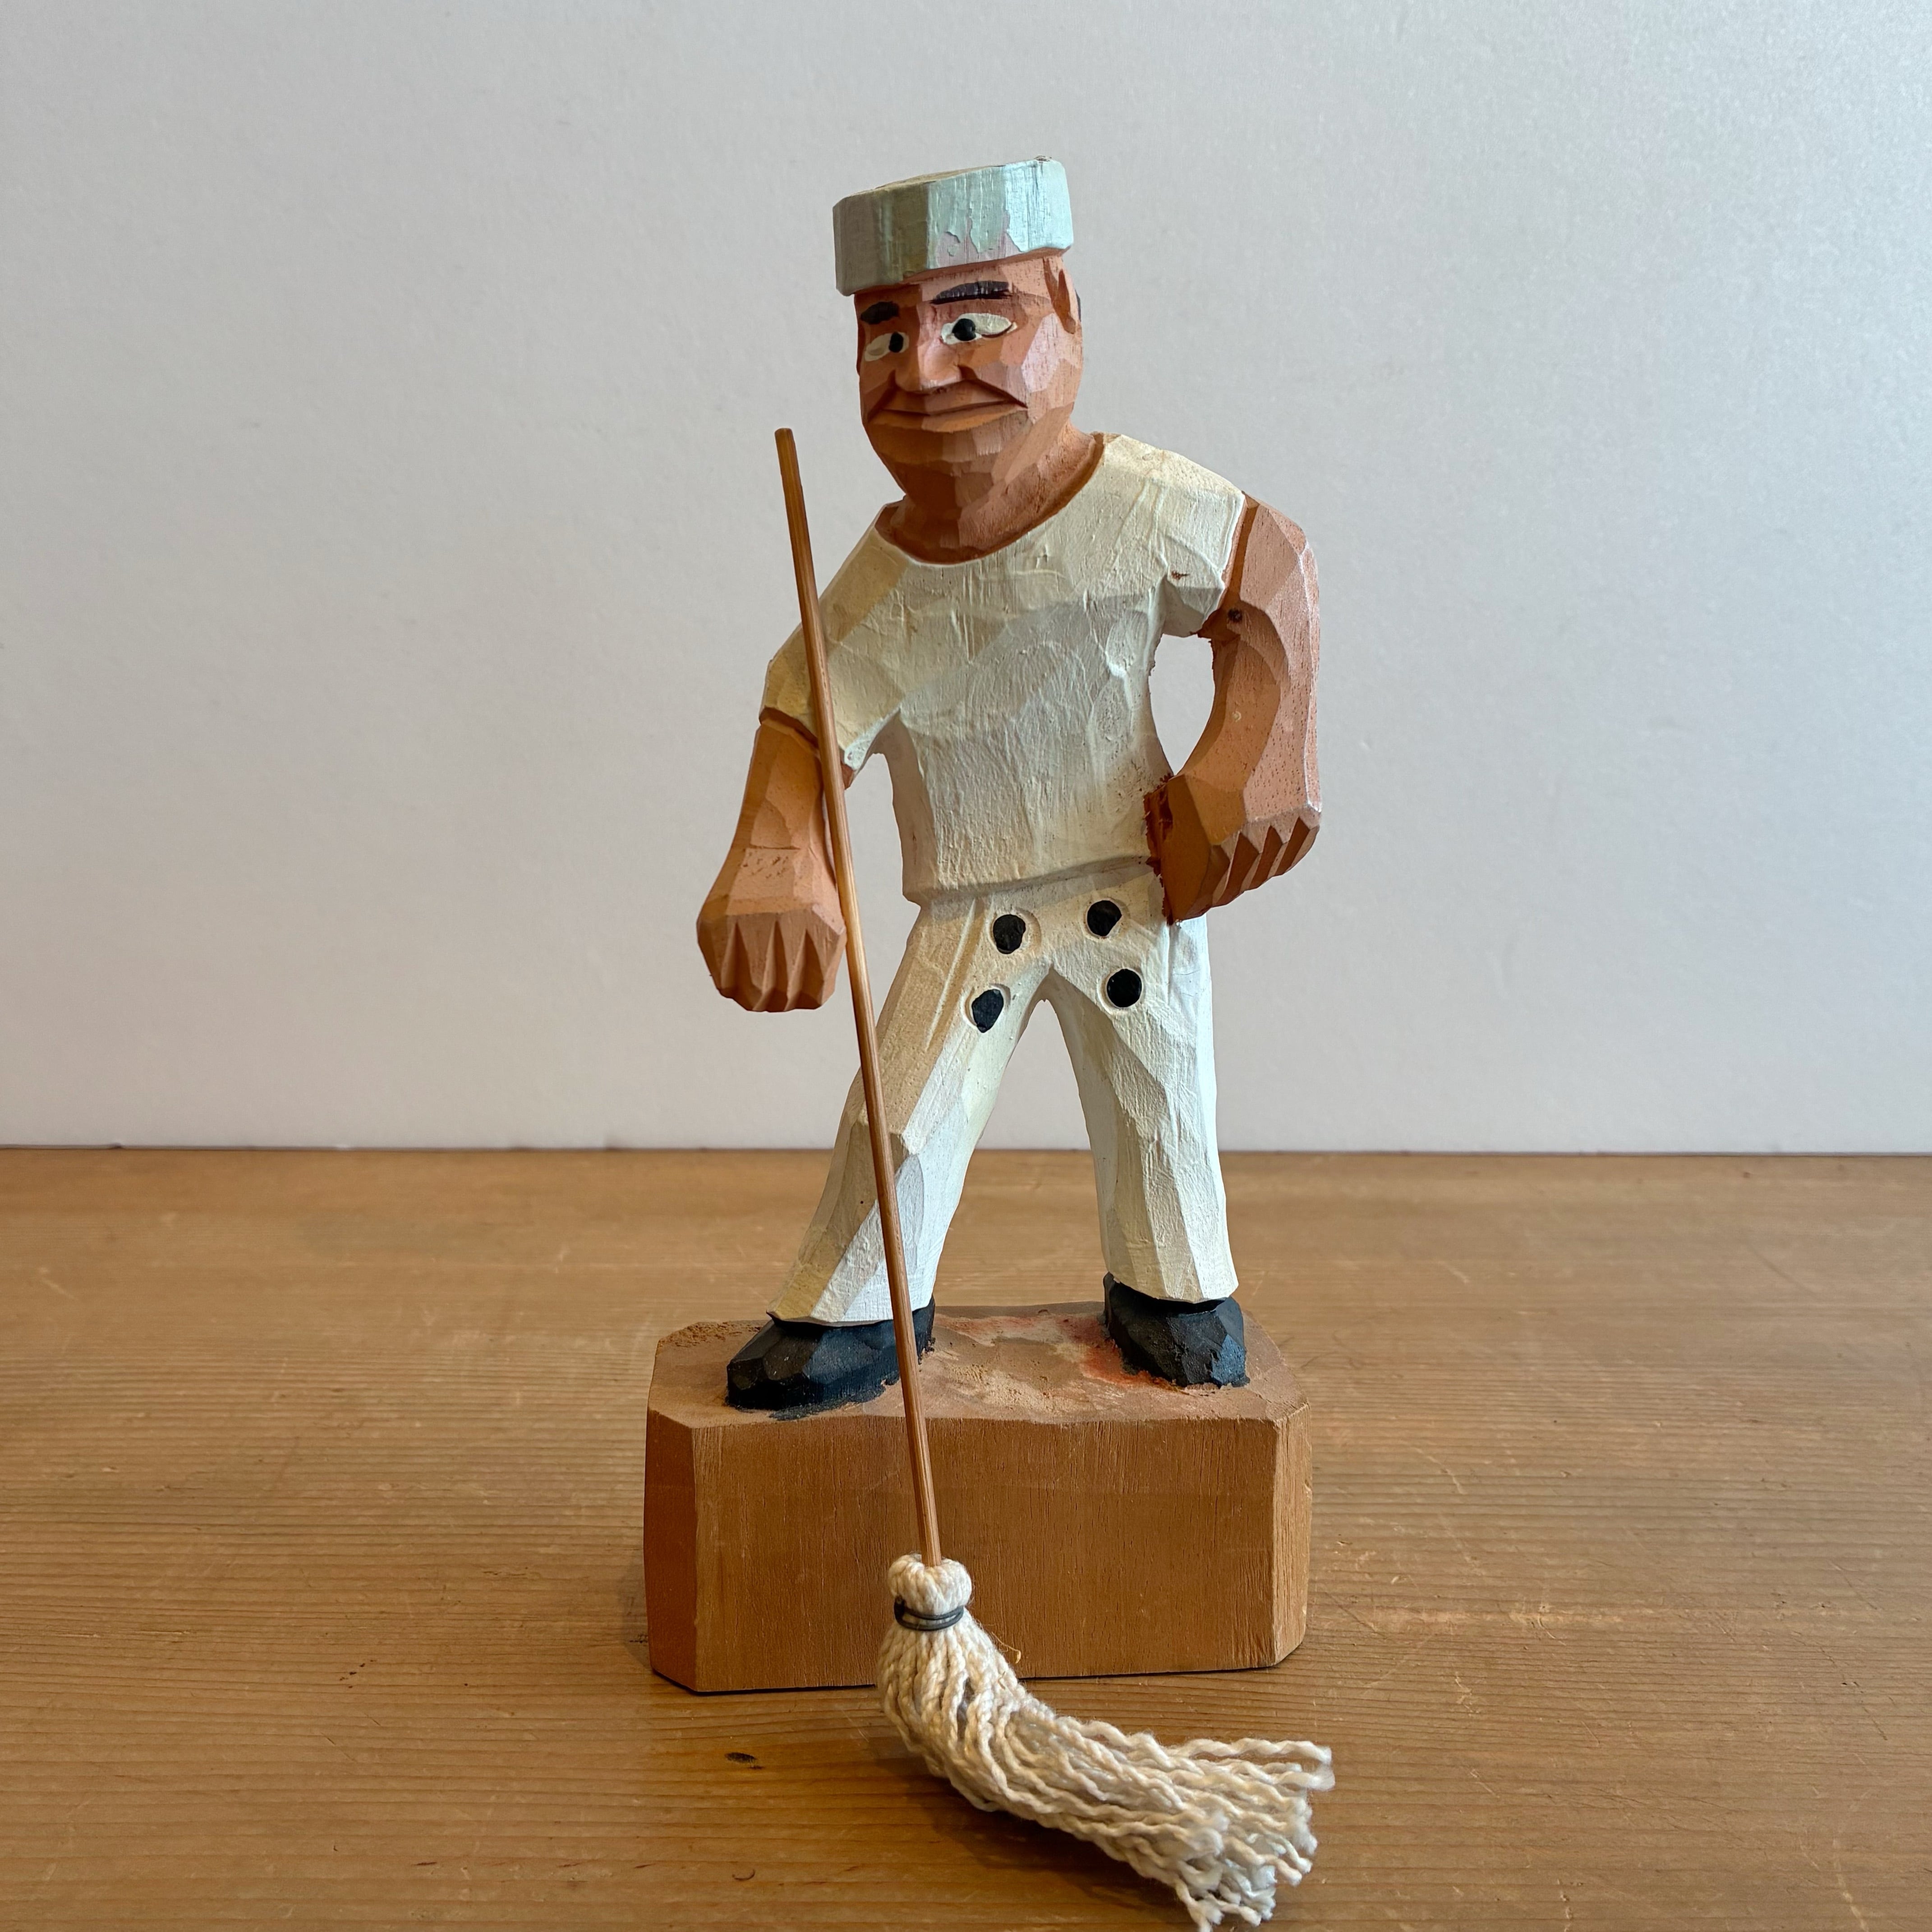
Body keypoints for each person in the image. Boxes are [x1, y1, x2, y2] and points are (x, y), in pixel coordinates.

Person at [698, 159, 1320, 1411]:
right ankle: (857, 1312)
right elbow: (801, 718)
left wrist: (1257, 758)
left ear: (1066, 313)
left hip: (1134, 883)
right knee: (902, 1121)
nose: (925, 370)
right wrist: (775, 859)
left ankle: (1176, 1293)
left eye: (975, 319)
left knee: (1161, 1105)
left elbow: (1269, 580)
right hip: (967, 909)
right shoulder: (879, 592)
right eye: (886, 332)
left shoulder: (1140, 506)